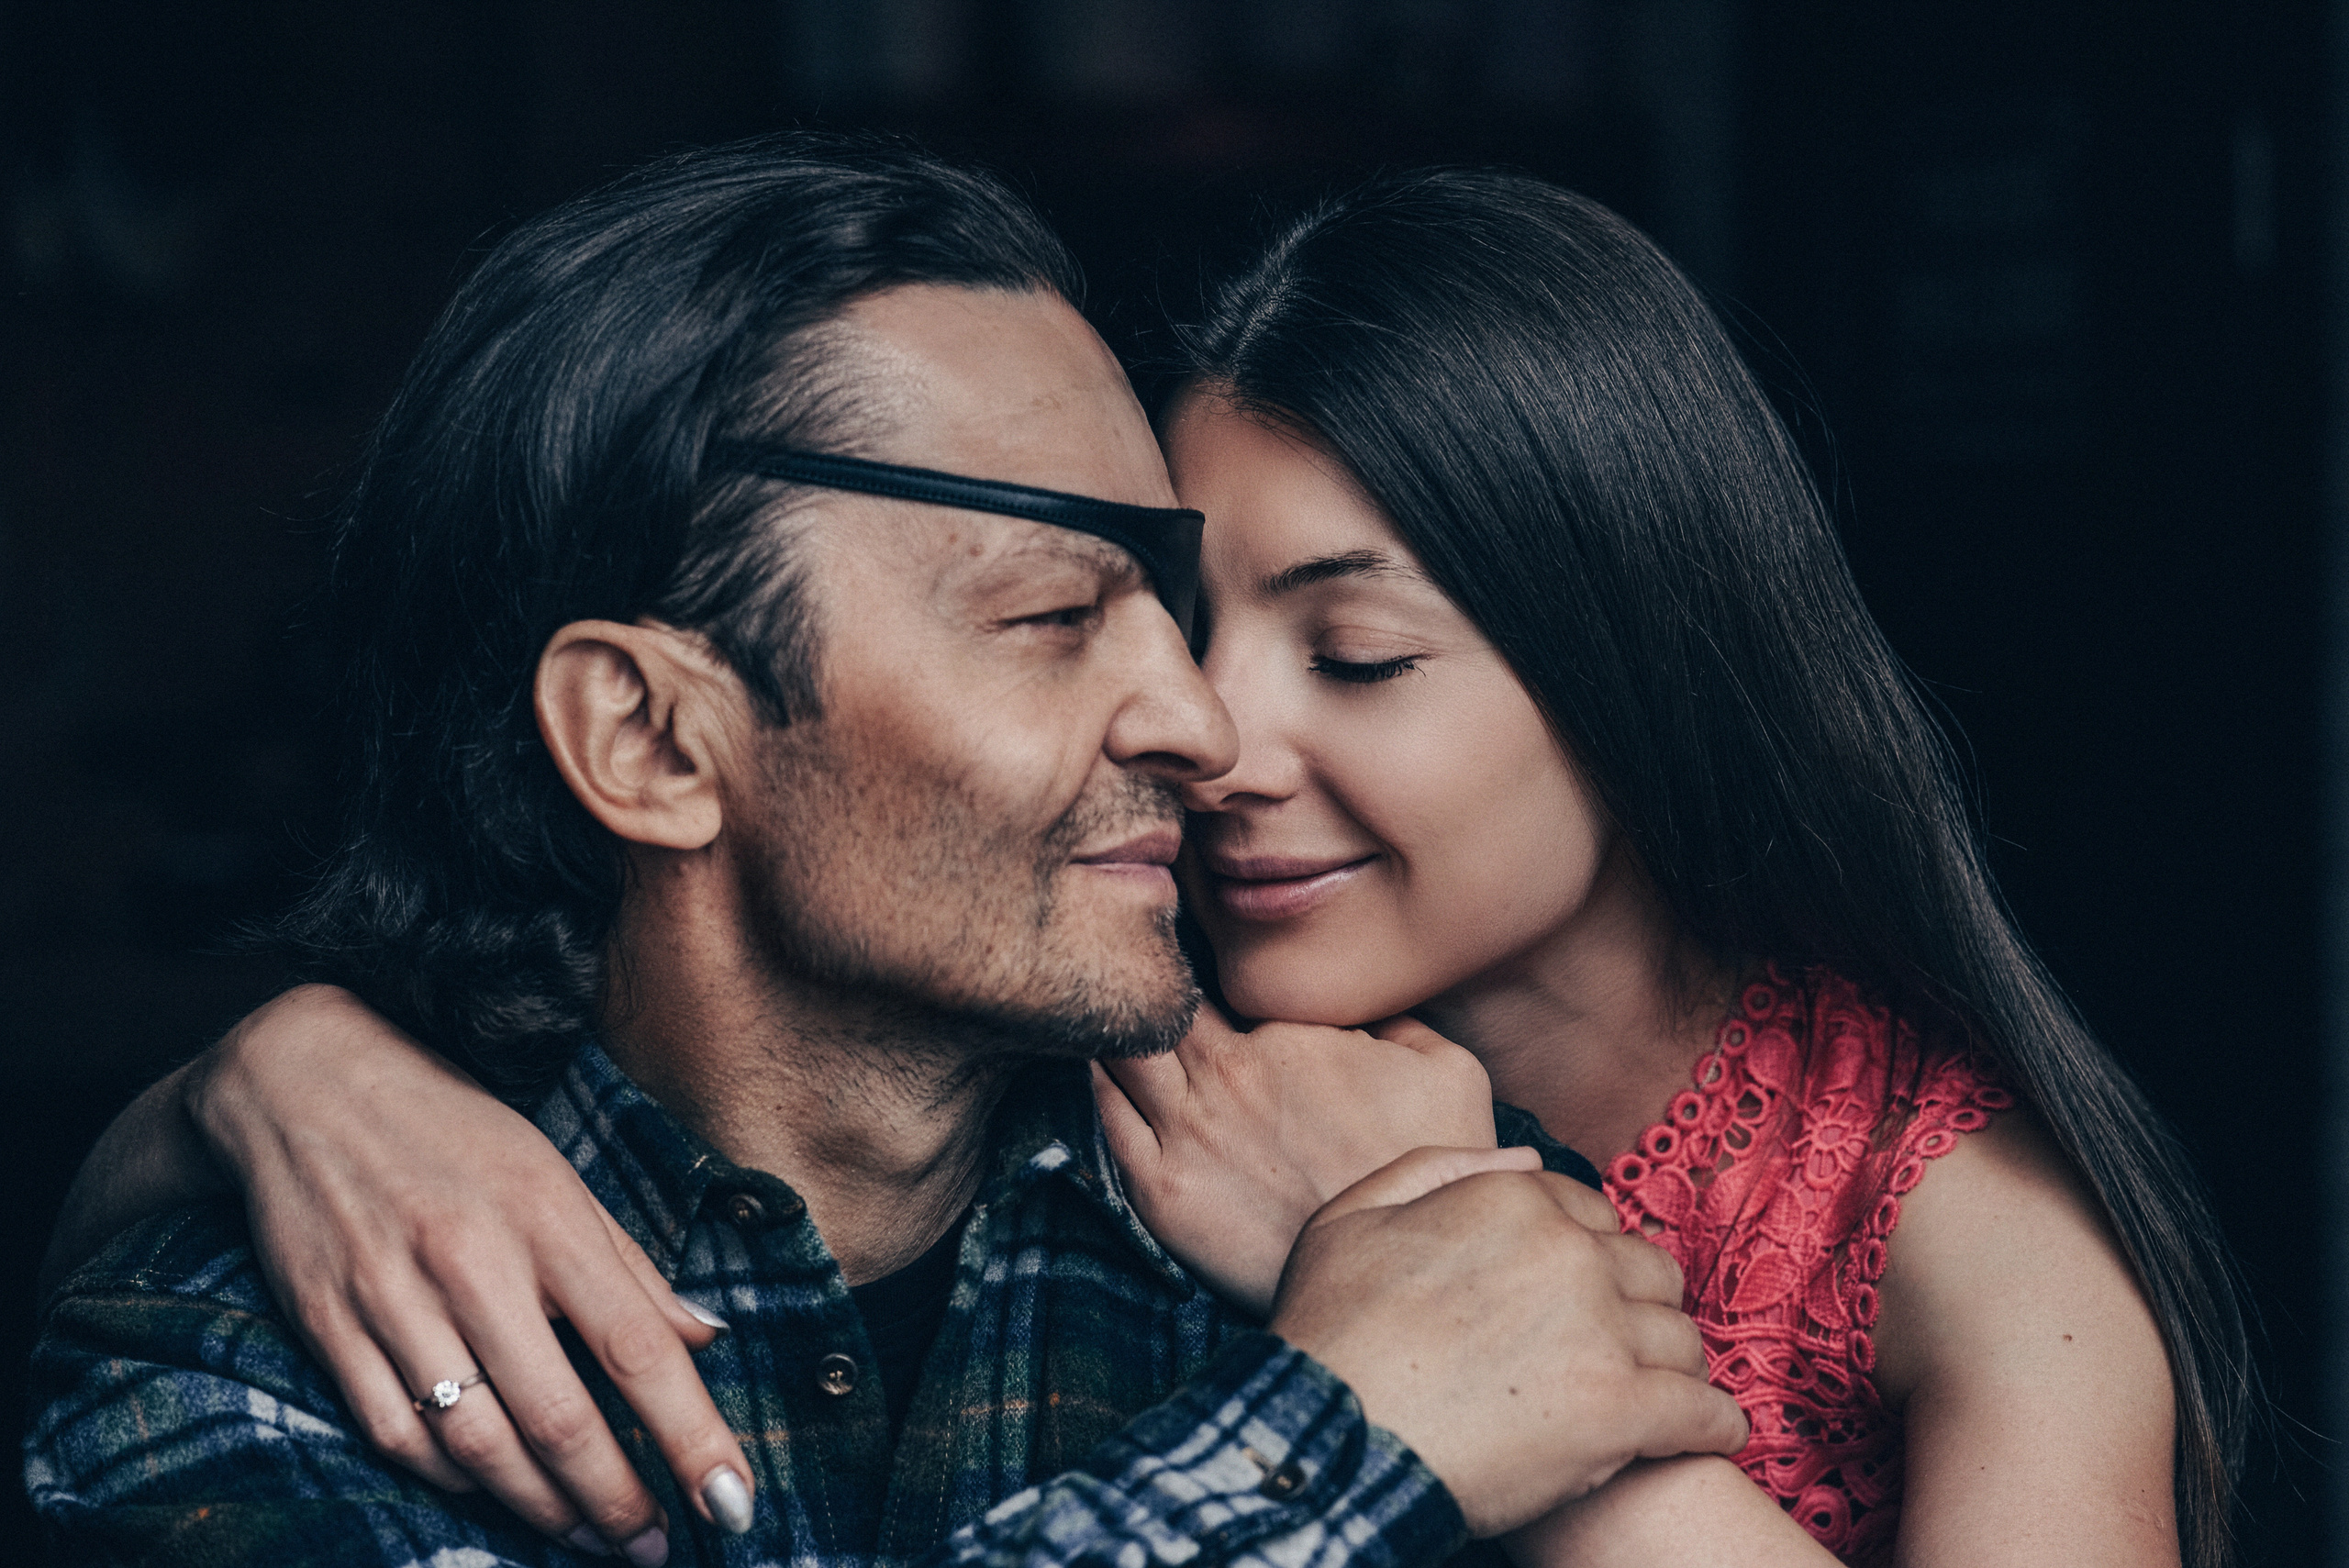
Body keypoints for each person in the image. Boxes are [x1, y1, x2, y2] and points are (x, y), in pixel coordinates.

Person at [37, 159, 2249, 1565]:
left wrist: (1423, 1291)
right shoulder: (248, 1374)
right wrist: (273, 1080)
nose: (1204, 732)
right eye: (1062, 613)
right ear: (645, 735)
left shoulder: (1336, 1184)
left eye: (1347, 648)